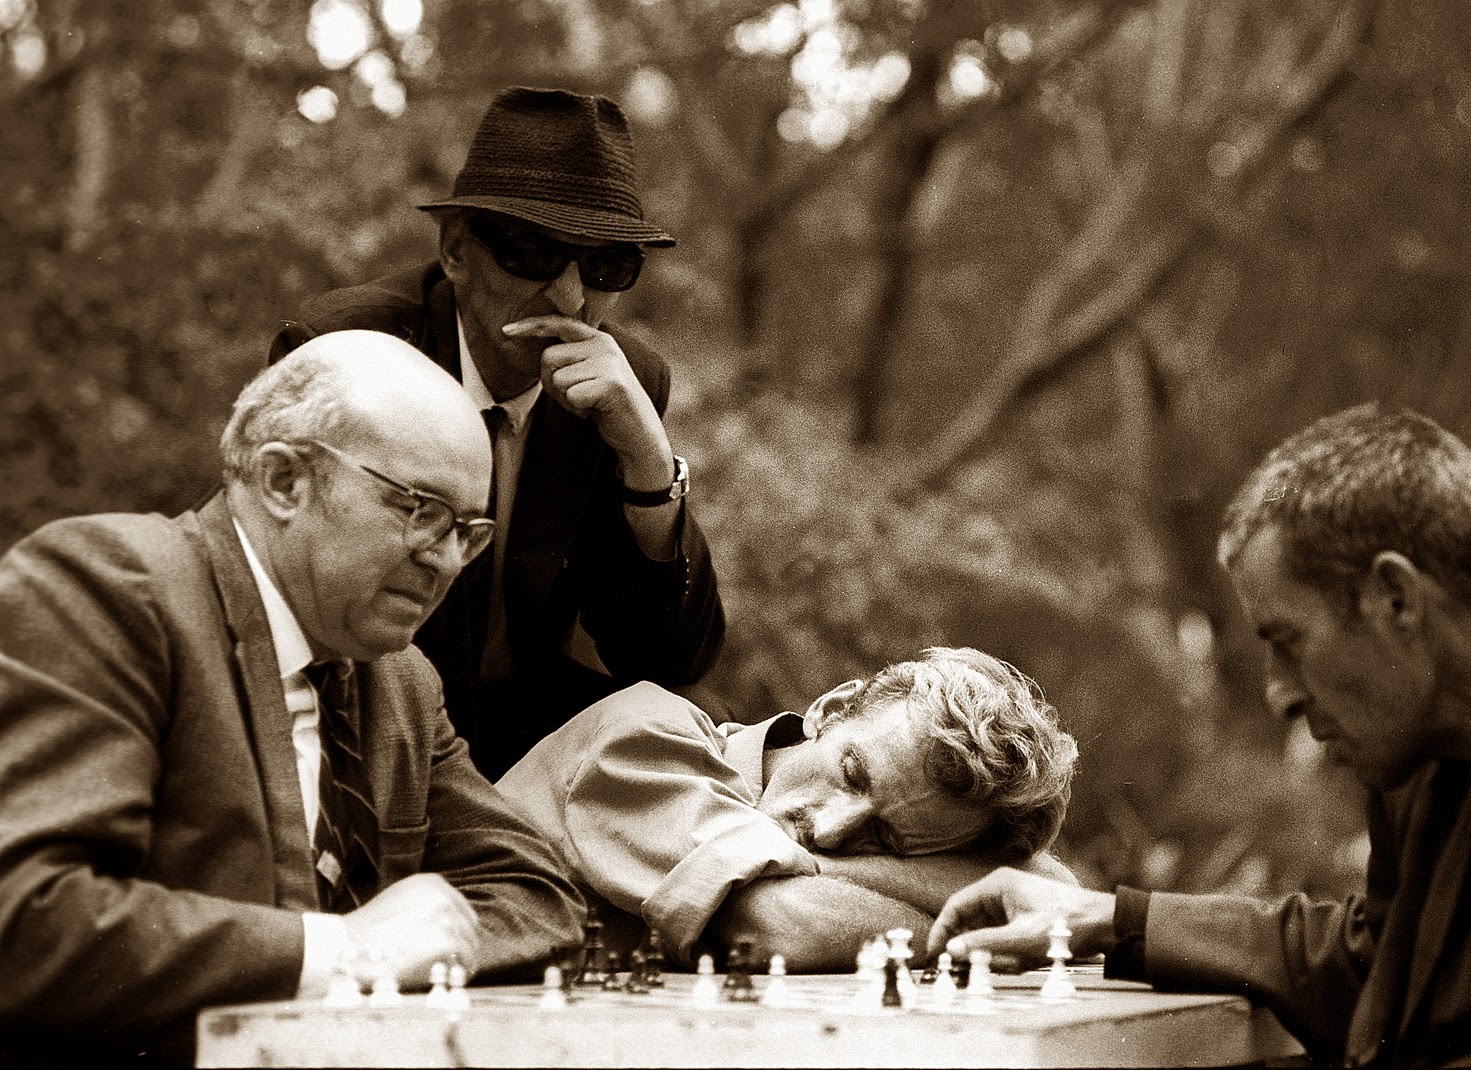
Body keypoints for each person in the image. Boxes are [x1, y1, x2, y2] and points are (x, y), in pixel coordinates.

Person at [927, 404, 1471, 1068]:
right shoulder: (1432, 749)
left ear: (1396, 597)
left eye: (1288, 641)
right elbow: (1379, 969)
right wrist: (1110, 920)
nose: (1279, 693)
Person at [0, 331, 586, 1064]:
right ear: (283, 481)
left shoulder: (399, 680)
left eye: (467, 532)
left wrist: (407, 947)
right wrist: (342, 951)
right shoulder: (110, 590)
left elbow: (536, 897)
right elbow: (22, 918)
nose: (445, 561)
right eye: (421, 510)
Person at [269, 86, 726, 781]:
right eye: (534, 252)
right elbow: (278, 599)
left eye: (607, 267)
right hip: (357, 719)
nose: (572, 299)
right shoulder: (345, 353)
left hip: (524, 731)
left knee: (686, 745)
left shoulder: (624, 384)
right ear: (456, 251)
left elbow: (668, 659)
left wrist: (648, 464)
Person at [496, 646, 1081, 972]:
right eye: (851, 775)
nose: (827, 831)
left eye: (885, 840)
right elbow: (776, 926)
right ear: (831, 707)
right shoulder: (644, 737)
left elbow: (1056, 885)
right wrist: (971, 928)